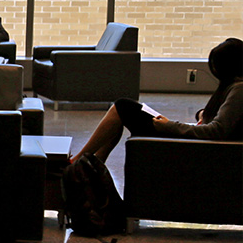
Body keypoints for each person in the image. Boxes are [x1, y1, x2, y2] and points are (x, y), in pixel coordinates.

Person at [72, 37, 243, 163]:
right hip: (194, 140)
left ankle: (79, 161)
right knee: (123, 110)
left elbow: (216, 131)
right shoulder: (235, 86)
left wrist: (169, 126)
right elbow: (221, 121)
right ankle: (92, 163)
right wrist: (202, 114)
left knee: (123, 107)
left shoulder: (239, 89)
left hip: (193, 145)